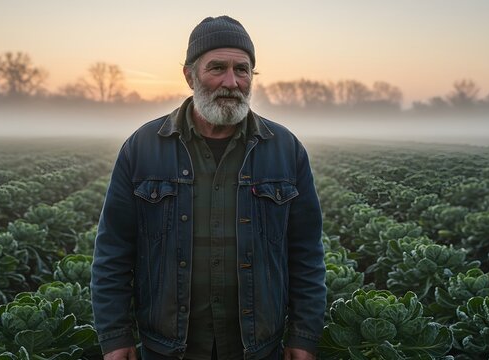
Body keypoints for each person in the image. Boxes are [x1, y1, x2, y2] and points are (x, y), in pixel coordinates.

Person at [91, 15, 326, 360]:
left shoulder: (286, 149)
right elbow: (113, 252)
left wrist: (303, 336)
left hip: (257, 348)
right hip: (169, 348)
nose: (231, 82)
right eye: (217, 68)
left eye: (242, 70)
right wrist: (115, 336)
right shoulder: (142, 147)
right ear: (189, 75)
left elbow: (306, 253)